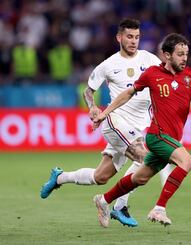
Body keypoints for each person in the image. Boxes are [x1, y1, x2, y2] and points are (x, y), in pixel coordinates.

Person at [91, 33, 191, 228]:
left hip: (171, 138)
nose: (184, 58)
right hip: (157, 136)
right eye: (180, 54)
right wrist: (105, 113)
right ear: (167, 55)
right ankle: (159, 208)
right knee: (187, 161)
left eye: (186, 53)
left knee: (140, 178)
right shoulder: (152, 74)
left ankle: (103, 200)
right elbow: (129, 93)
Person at [40, 18, 162, 227]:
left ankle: (59, 178)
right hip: (115, 121)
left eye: (137, 37)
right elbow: (89, 91)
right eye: (129, 37)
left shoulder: (149, 59)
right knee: (145, 158)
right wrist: (93, 107)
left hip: (138, 126)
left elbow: (163, 80)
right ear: (119, 37)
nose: (134, 41)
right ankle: (118, 206)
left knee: (101, 176)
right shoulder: (108, 65)